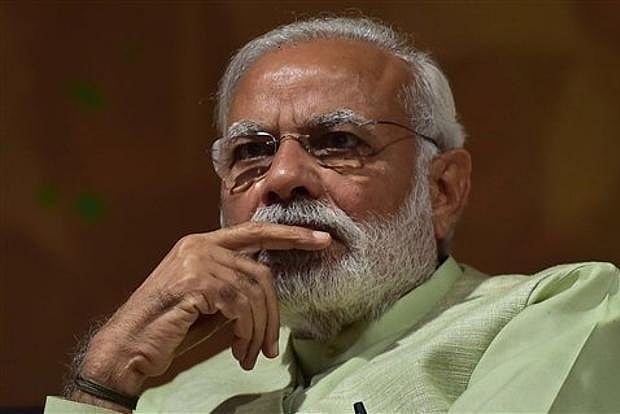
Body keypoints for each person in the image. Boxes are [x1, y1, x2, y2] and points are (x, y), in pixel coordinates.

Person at [45, 16, 619, 413]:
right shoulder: (174, 400)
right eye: (251, 152)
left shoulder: (557, 313)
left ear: (443, 188)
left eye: (338, 141)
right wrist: (105, 379)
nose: (280, 177)